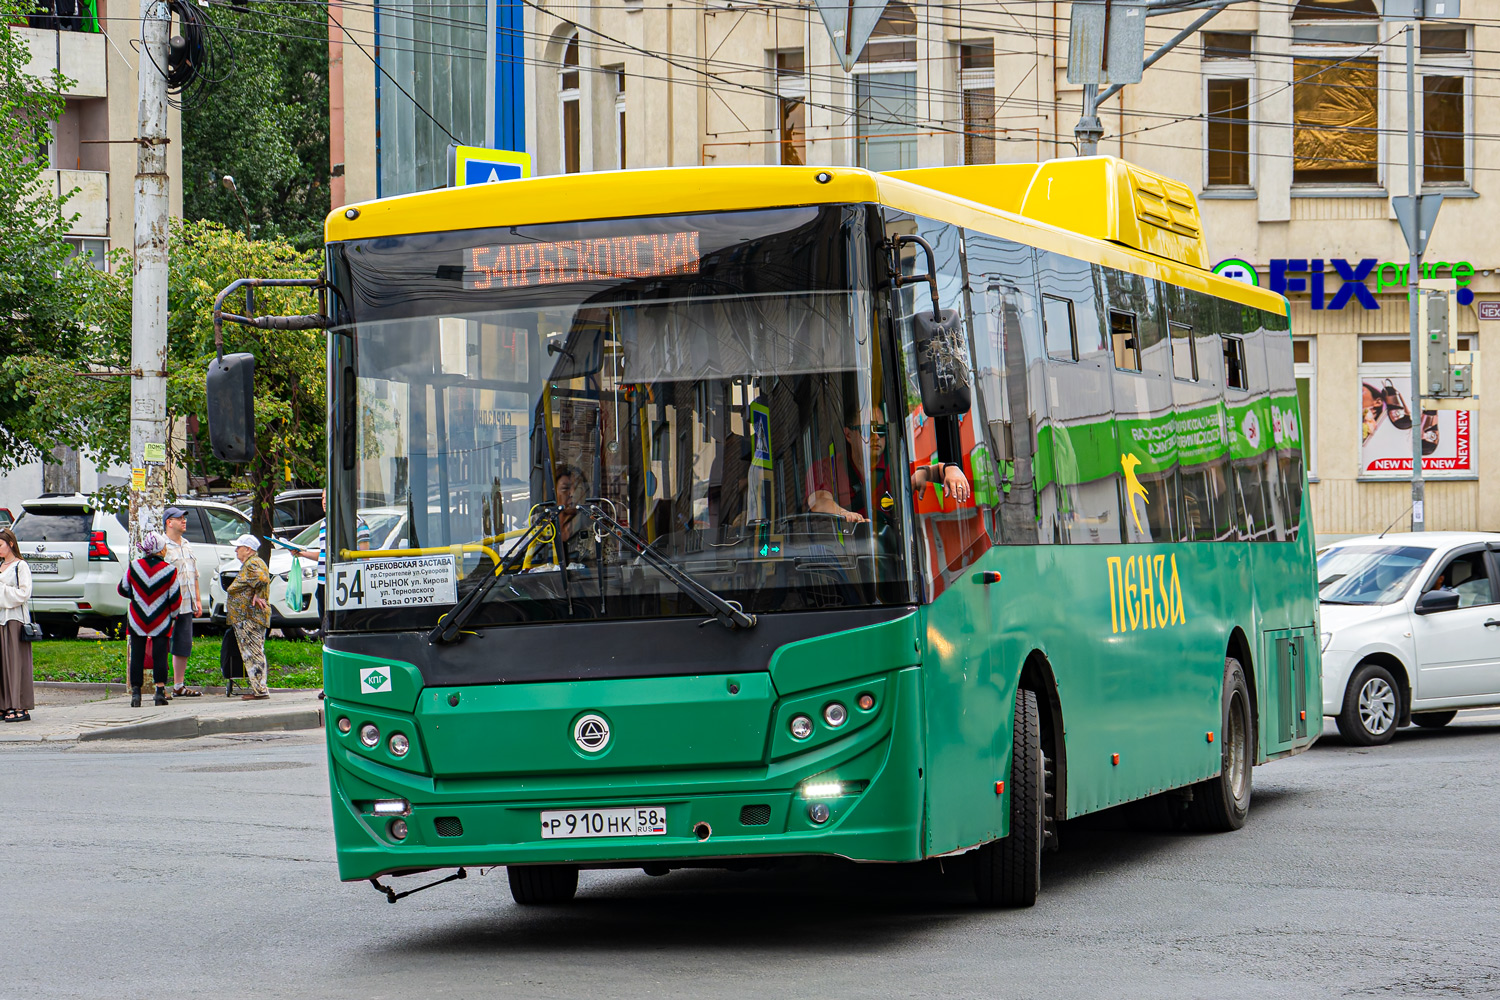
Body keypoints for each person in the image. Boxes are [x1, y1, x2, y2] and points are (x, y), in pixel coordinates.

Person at [806, 406, 971, 525]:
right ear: (848, 434)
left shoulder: (894, 468)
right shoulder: (826, 468)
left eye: (881, 430)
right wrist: (846, 515)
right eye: (868, 430)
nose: (876, 437)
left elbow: (926, 471)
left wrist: (950, 469)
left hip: (889, 558)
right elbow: (819, 501)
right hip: (844, 559)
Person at [117, 531, 180, 708]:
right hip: (161, 620)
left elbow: (122, 588)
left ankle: (136, 694)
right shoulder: (170, 570)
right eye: (165, 547)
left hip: (137, 619)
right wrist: (173, 615)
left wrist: (137, 597)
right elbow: (175, 599)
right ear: (160, 550)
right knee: (160, 655)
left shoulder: (134, 566)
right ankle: (159, 692)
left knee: (137, 655)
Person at [295, 490, 370, 629]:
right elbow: (324, 554)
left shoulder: (357, 523)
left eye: (327, 497)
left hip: (343, 583)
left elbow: (364, 556)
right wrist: (301, 553)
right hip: (323, 583)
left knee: (340, 625)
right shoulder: (324, 523)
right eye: (322, 498)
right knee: (325, 625)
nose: (323, 501)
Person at [161, 507, 202, 698]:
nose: (184, 521)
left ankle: (179, 685)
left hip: (186, 604)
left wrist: (199, 601)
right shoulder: (163, 546)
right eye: (179, 518)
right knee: (162, 643)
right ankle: (160, 686)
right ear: (169, 522)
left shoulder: (187, 545)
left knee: (183, 644)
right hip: (167, 605)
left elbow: (194, 575)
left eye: (184, 518)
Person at [226, 534, 272, 700]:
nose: (236, 550)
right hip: (249, 617)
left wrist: (259, 595)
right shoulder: (254, 562)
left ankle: (260, 689)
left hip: (249, 617)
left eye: (239, 547)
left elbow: (262, 579)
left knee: (253, 653)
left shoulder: (252, 563)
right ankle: (259, 688)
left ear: (248, 549)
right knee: (254, 651)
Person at [0, 528, 37, 723]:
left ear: (11, 544)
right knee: (3, 664)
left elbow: (24, 594)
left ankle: (19, 705)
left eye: (0, 545)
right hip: (0, 619)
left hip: (14, 619)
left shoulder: (20, 566)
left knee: (16, 663)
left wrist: (2, 591)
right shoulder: (0, 566)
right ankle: (5, 704)